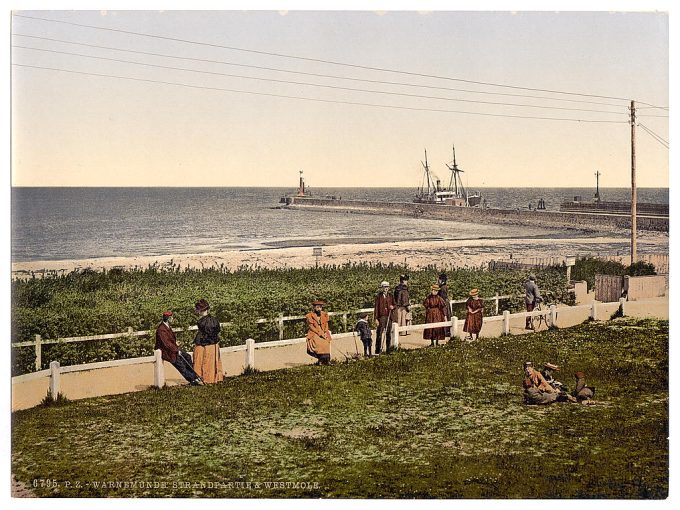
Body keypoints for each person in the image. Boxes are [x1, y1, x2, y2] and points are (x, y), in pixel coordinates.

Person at [154, 311, 204, 386]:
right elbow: (167, 344)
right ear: (168, 318)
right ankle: (193, 380)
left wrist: (176, 344)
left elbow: (170, 340)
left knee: (187, 356)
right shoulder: (161, 329)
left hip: (172, 349)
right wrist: (177, 350)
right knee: (181, 365)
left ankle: (194, 376)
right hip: (167, 352)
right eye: (172, 317)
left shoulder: (167, 326)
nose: (173, 319)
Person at [192, 299, 224, 384]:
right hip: (213, 344)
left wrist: (204, 340)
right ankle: (212, 378)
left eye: (198, 310)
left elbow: (206, 333)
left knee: (201, 361)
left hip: (204, 344)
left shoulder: (201, 322)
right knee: (211, 362)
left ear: (201, 310)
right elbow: (217, 330)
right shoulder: (214, 320)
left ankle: (202, 378)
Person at [306, 300, 332, 364]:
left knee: (326, 342)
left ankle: (327, 360)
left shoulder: (325, 314)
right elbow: (311, 327)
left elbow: (326, 325)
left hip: (323, 331)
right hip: (314, 332)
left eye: (320, 307)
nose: (319, 309)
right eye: (317, 307)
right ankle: (320, 359)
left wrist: (325, 332)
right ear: (314, 308)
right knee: (318, 342)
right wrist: (319, 333)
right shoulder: (310, 315)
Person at [374, 281, 396, 354]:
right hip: (381, 317)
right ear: (382, 288)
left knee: (388, 333)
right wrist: (376, 318)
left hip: (389, 316)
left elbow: (395, 305)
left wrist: (393, 307)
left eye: (387, 287)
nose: (386, 288)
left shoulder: (391, 296)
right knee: (379, 334)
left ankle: (388, 350)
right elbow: (376, 308)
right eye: (384, 287)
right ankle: (377, 350)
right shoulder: (378, 296)